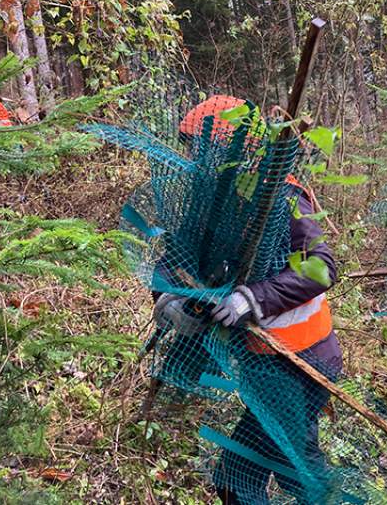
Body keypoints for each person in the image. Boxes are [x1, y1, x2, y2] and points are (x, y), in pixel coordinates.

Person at [153, 97, 342, 504]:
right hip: (263, 363)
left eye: (199, 149)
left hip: (302, 362)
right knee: (297, 472)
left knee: (238, 477)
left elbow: (321, 268)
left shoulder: (282, 195)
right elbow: (177, 257)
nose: (193, 160)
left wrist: (250, 299)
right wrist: (168, 300)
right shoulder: (212, 199)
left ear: (231, 149)